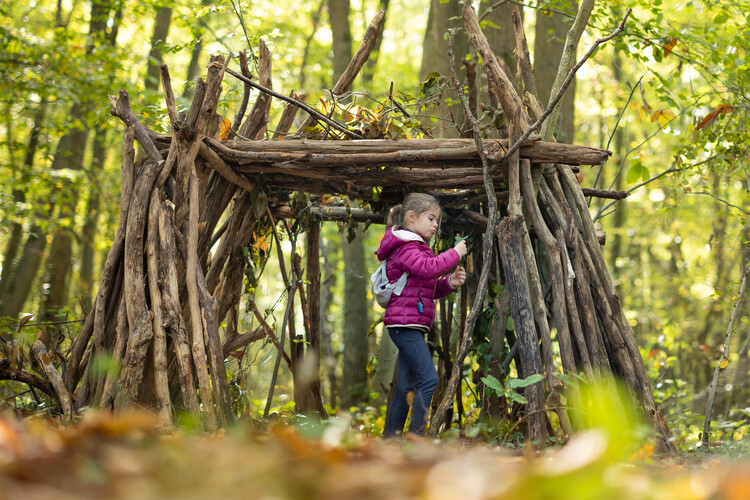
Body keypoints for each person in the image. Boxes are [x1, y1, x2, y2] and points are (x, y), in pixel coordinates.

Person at [375, 193, 467, 437]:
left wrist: (450, 282)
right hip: (405, 326)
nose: (436, 224)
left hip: (409, 325)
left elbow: (428, 288)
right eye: (431, 218)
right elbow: (429, 269)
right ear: (412, 217)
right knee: (429, 380)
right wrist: (455, 253)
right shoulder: (405, 246)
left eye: (438, 220)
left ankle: (391, 440)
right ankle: (417, 437)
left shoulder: (416, 247)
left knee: (406, 386)